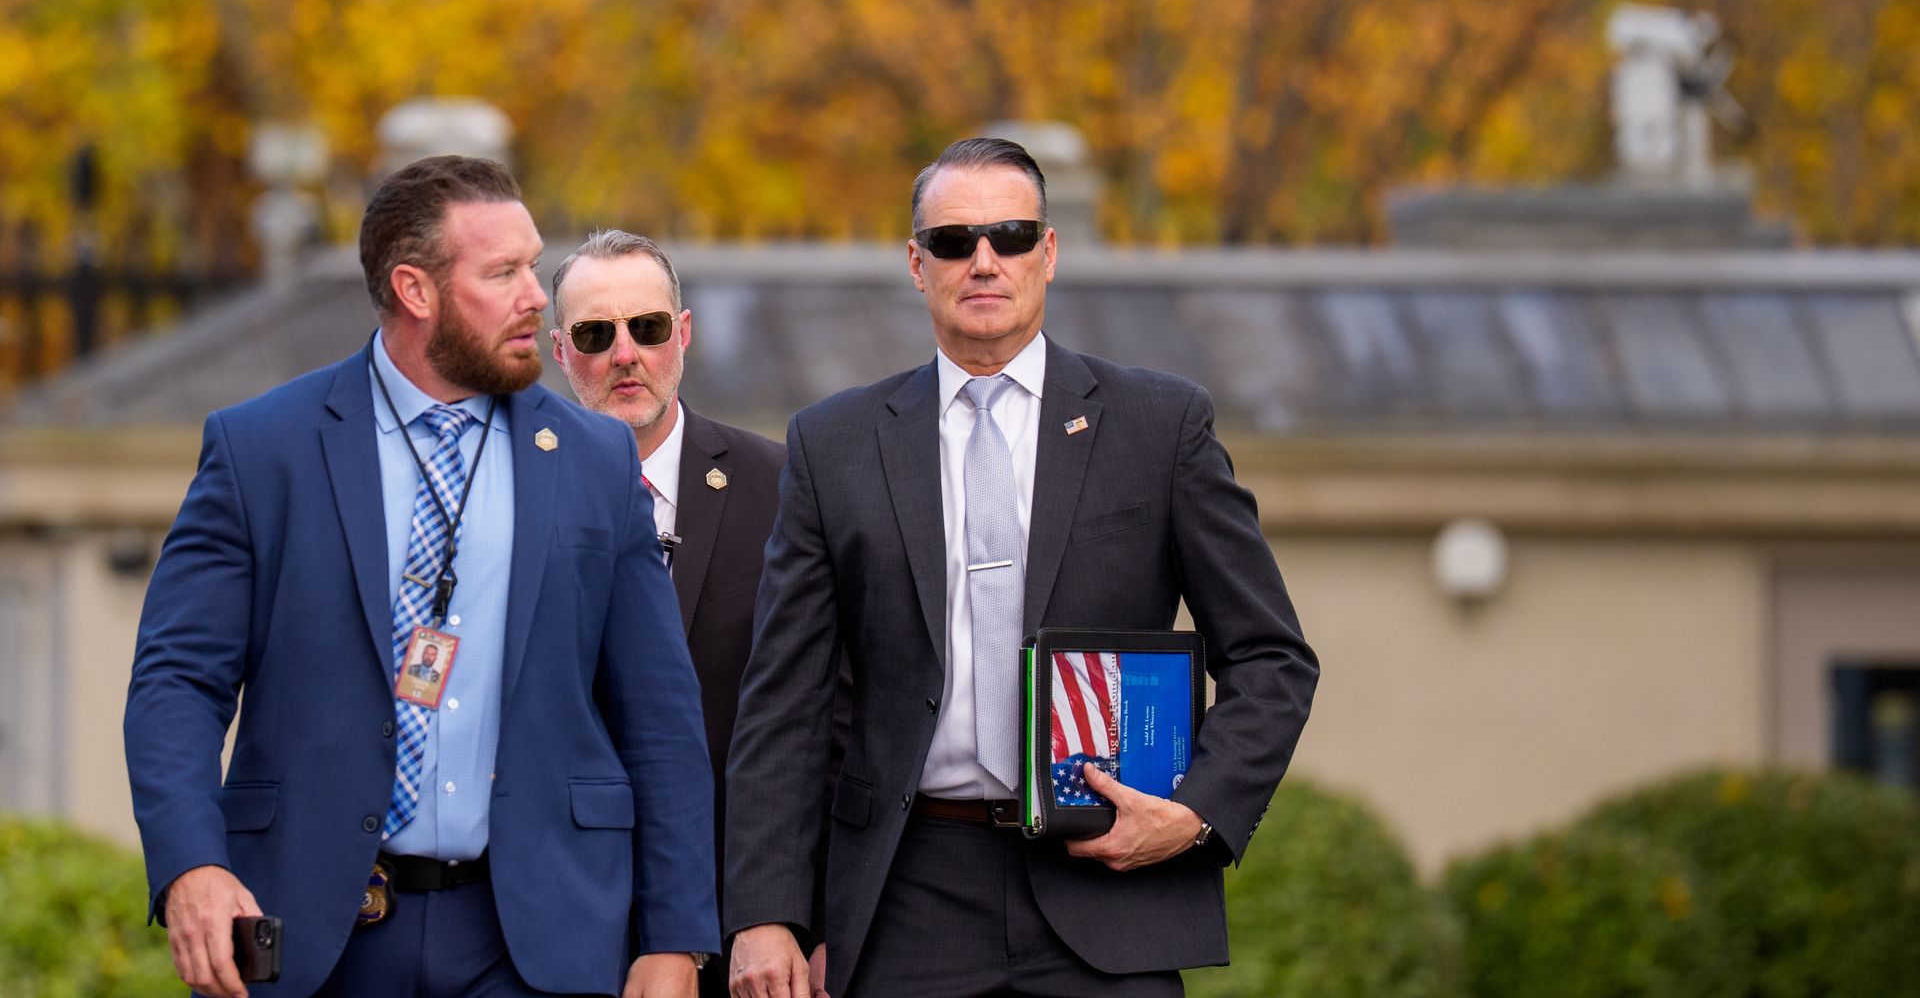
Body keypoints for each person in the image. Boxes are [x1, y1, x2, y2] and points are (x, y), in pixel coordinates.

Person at [725, 138, 1319, 998]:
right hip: (905, 894)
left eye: (1009, 235)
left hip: (1109, 885)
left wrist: (1194, 812)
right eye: (955, 241)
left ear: (1049, 251)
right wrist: (766, 911)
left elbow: (1272, 659)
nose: (984, 261)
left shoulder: (1161, 426)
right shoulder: (833, 444)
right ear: (916, 263)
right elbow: (784, 699)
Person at [124, 156, 717, 998]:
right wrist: (190, 866)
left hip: (536, 942)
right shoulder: (263, 450)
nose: (537, 296)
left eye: (531, 264)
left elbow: (660, 716)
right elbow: (176, 683)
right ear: (416, 290)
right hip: (308, 933)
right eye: (504, 272)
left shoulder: (593, 458)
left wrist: (675, 937)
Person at [548, 230, 791, 998]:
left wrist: (787, 914)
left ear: (682, 335)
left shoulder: (781, 488)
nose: (626, 354)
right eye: (596, 335)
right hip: (548, 924)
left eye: (647, 328)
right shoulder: (512, 493)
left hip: (737, 927)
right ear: (560, 351)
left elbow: (820, 719)